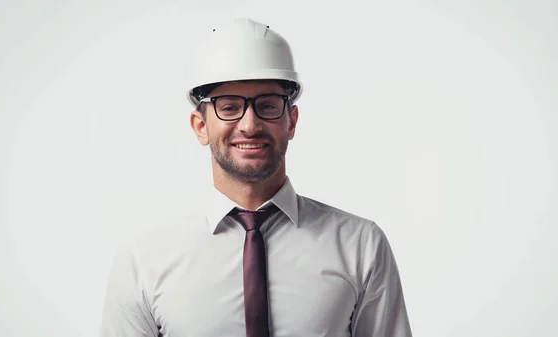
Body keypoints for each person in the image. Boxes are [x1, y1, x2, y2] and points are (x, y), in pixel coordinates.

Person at [100, 18, 413, 337]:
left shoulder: (360, 246)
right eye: (229, 106)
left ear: (291, 121)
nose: (249, 124)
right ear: (200, 125)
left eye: (267, 105)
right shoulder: (143, 263)